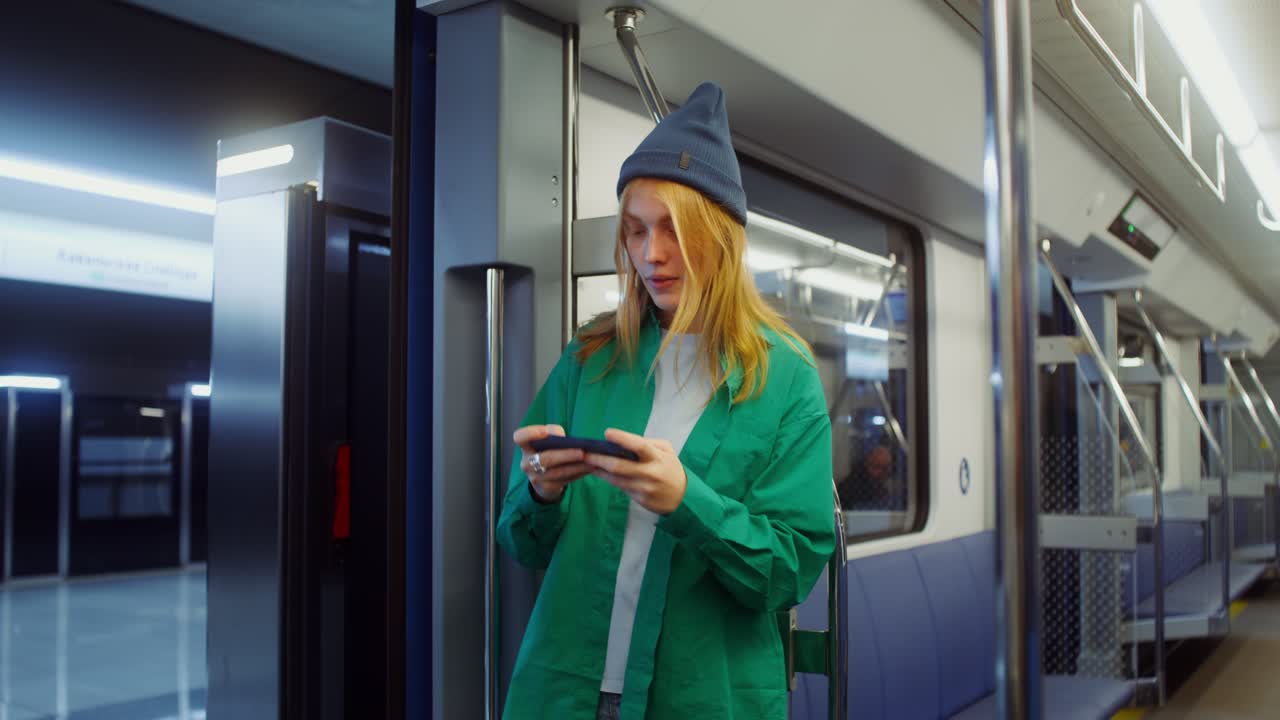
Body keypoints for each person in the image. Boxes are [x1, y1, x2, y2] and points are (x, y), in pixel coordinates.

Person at [496, 82, 835, 720]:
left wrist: (687, 501)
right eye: (636, 231)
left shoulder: (784, 378)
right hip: (568, 690)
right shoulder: (591, 356)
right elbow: (521, 540)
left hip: (702, 698)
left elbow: (788, 571)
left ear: (722, 238)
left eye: (674, 231)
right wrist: (541, 491)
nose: (651, 255)